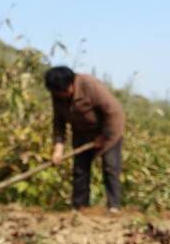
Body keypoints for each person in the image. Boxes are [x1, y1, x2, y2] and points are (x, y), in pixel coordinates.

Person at [44, 66, 125, 212]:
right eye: (57, 93)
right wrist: (58, 149)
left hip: (109, 131)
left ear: (71, 83)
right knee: (80, 170)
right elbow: (59, 123)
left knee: (110, 167)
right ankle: (80, 206)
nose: (61, 95)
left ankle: (114, 206)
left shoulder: (90, 86)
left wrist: (104, 137)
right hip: (82, 133)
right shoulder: (57, 94)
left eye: (63, 91)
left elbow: (114, 112)